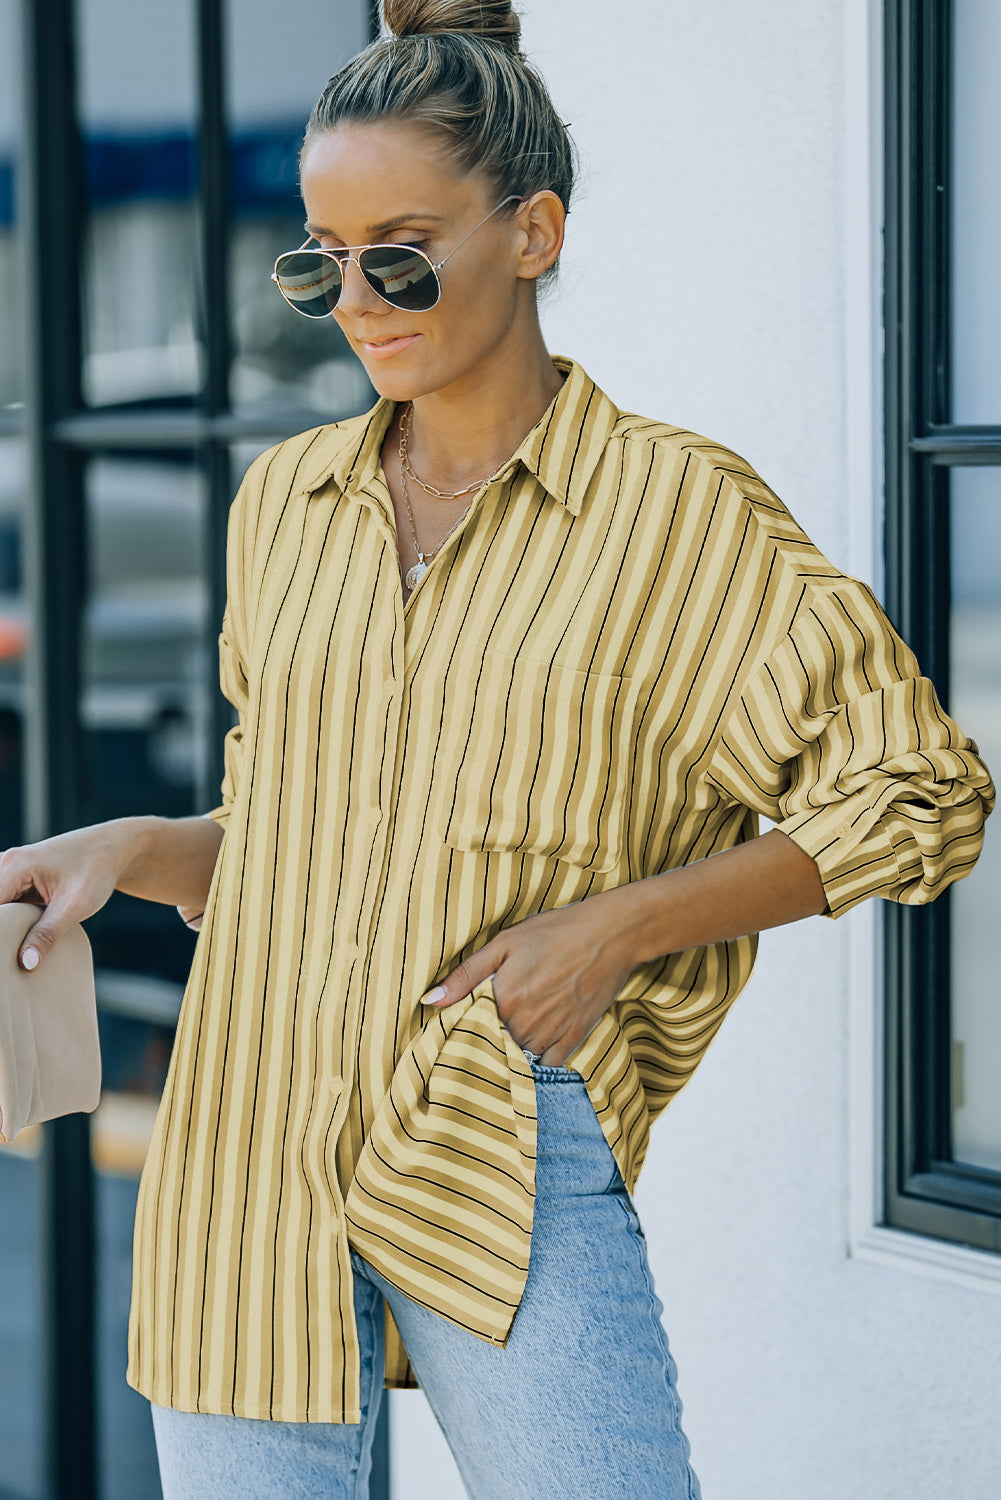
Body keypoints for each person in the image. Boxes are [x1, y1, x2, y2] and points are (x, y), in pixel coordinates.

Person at [1, 2, 993, 1496]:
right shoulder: (286, 505)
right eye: (316, 260)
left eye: (398, 251)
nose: (355, 299)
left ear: (533, 232)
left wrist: (608, 933)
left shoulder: (676, 514)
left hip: (490, 1130)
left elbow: (919, 792)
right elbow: (301, 819)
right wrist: (138, 852)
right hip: (242, 1142)